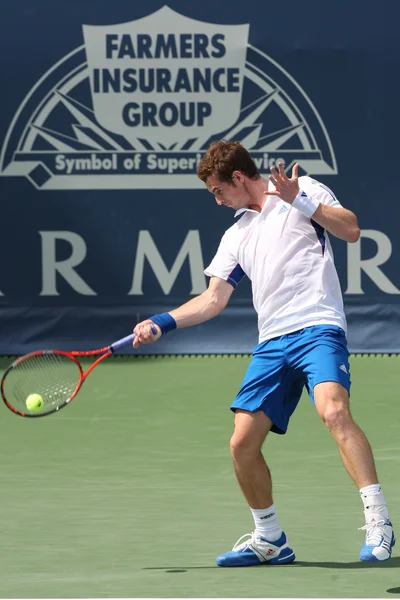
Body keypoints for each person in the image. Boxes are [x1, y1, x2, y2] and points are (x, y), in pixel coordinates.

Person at [132, 140, 395, 566]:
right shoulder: (236, 234)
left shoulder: (301, 189)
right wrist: (162, 321)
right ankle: (270, 538)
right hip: (273, 342)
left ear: (237, 178)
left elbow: (350, 230)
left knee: (333, 411)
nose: (218, 202)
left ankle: (379, 521)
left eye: (219, 192)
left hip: (318, 326)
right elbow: (213, 299)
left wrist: (301, 202)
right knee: (241, 443)